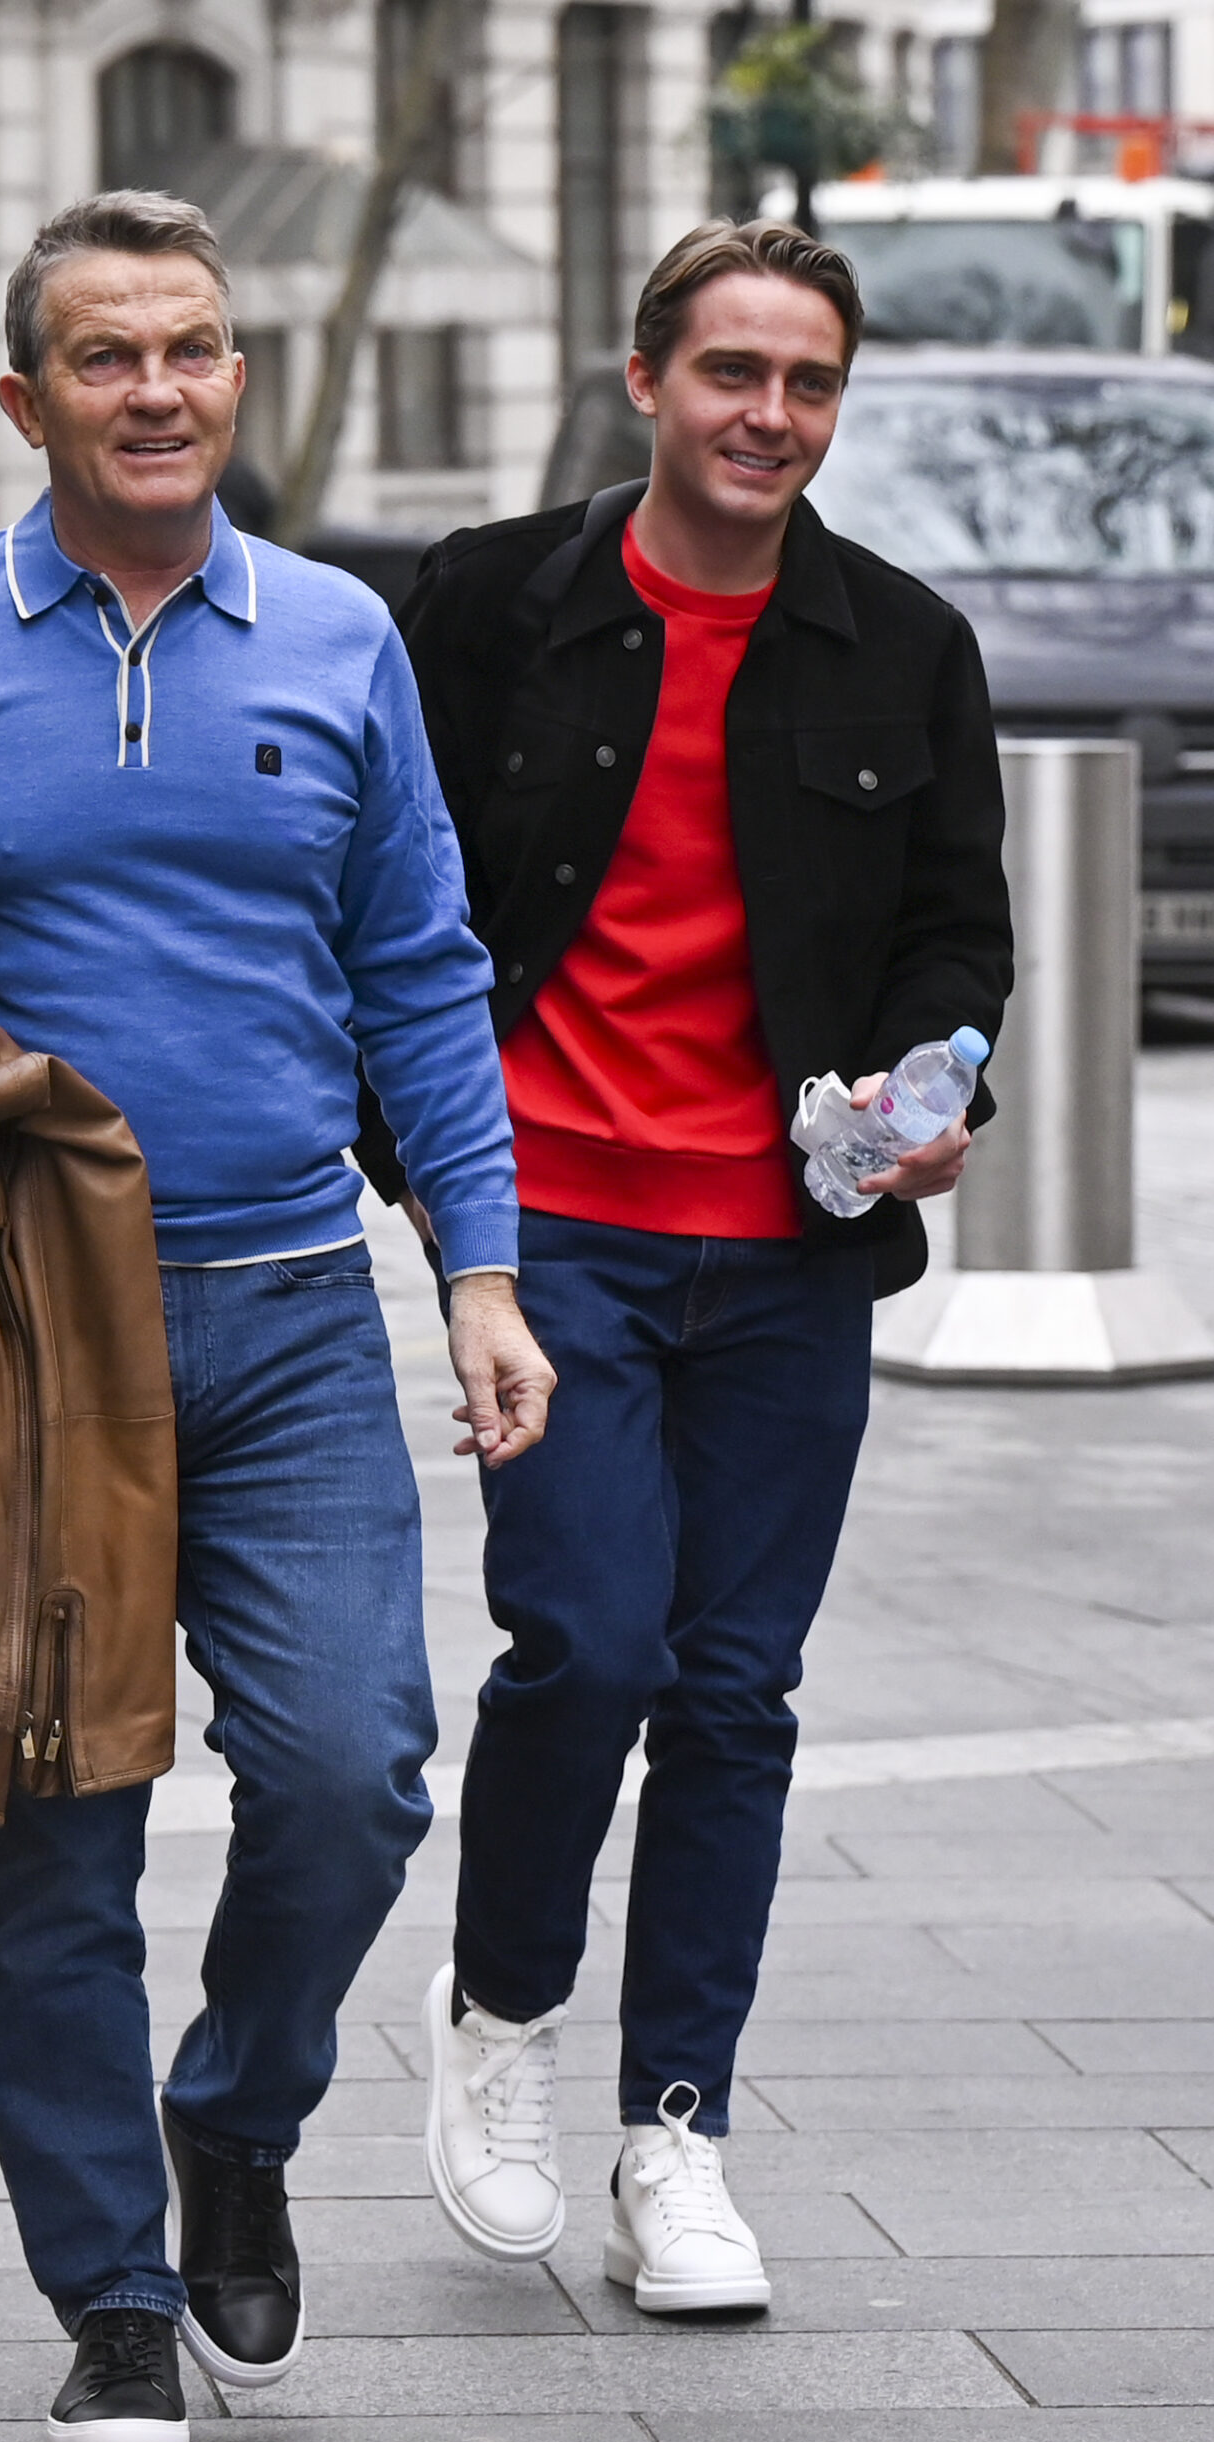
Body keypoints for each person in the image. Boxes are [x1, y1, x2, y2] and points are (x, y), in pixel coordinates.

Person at [0, 190, 553, 2442]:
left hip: (282, 1310)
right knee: (48, 1826)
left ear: (235, 381)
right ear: (25, 396)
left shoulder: (343, 637)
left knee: (354, 1764)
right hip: (16, 1323)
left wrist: (477, 1264)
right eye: (106, 355)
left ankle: (237, 2109)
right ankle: (114, 2293)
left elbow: (428, 976)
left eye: (192, 349)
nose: (157, 388)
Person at [366, 220, 1011, 2311]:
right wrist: (435, 1199)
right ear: (644, 380)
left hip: (793, 1249)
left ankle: (680, 2134)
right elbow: (386, 906)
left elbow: (957, 937)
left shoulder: (900, 645)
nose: (770, 417)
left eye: (810, 384)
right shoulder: (481, 605)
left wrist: (943, 1085)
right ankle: (501, 2022)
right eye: (733, 372)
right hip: (552, 1236)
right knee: (592, 1641)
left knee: (737, 1686)